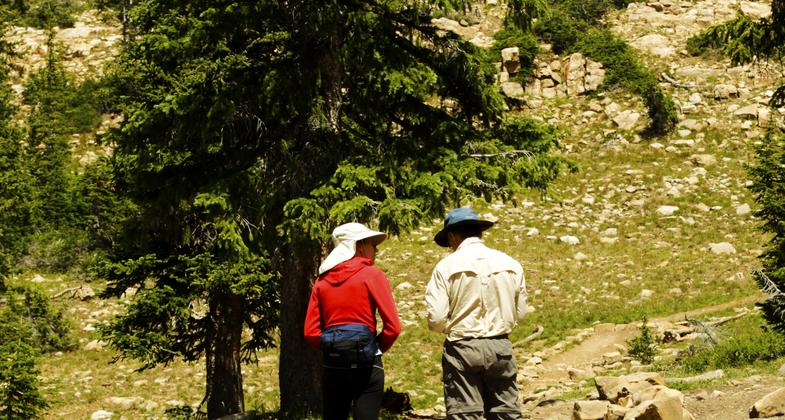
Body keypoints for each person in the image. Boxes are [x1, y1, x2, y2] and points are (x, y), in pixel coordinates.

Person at [425, 207, 528, 419]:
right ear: (479, 232)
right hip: (500, 346)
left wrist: (452, 326)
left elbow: (435, 319)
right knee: (506, 412)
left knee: (465, 413)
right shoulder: (510, 263)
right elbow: (521, 313)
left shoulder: (445, 267)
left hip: (462, 347)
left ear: (453, 235)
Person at [304, 222, 402, 420]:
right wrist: (372, 348)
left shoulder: (321, 282)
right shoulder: (373, 275)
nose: (376, 249)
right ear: (359, 246)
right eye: (372, 244)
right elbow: (393, 327)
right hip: (367, 365)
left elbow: (310, 332)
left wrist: (335, 349)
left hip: (333, 366)